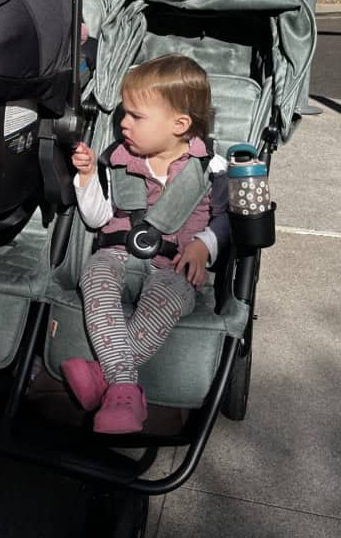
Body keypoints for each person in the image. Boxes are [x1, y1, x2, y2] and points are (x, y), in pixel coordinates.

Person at [62, 54, 229, 434]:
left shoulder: (211, 168)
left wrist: (204, 245)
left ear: (180, 125)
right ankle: (124, 387)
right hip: (118, 252)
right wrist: (87, 178)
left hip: (174, 265)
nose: (123, 123)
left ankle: (108, 379)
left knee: (166, 299)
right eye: (124, 113)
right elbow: (98, 219)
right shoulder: (117, 161)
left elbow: (227, 220)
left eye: (136, 117)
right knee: (96, 275)